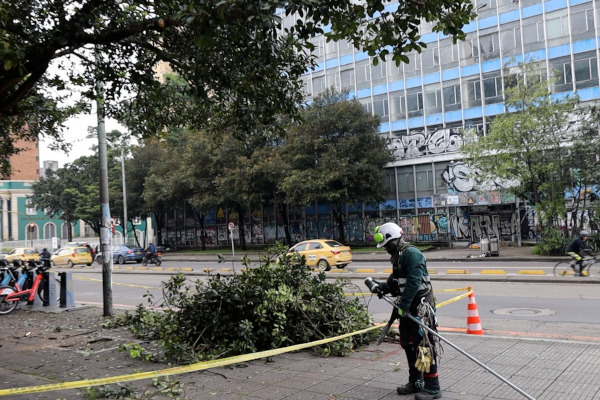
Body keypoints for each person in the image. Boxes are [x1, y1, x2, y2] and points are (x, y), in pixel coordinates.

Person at [367, 222, 441, 400]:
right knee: (408, 344)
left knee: (424, 346)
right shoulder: (398, 256)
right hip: (408, 307)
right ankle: (416, 382)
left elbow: (414, 283)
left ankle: (433, 387)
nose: (385, 249)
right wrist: (382, 287)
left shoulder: (412, 254)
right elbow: (396, 283)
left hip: (421, 307)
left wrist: (403, 306)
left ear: (394, 240)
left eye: (386, 245)